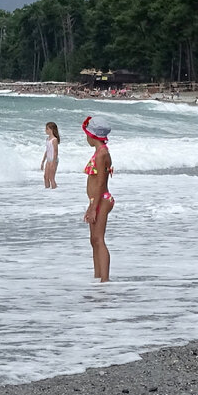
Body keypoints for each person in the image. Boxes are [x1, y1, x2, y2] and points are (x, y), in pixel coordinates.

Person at [82, 116, 114, 282]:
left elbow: (101, 182)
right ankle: (97, 276)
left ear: (92, 135)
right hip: (97, 199)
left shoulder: (102, 154)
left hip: (101, 199)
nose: (86, 138)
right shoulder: (99, 152)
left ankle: (105, 280)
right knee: (93, 240)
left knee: (99, 239)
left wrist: (93, 207)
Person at [40, 121, 60, 189]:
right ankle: (47, 193)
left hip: (53, 160)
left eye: (47, 129)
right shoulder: (48, 139)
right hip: (48, 160)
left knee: (51, 178)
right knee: (45, 177)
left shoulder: (54, 140)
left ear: (51, 130)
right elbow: (47, 151)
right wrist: (43, 161)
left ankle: (55, 192)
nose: (45, 130)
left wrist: (53, 162)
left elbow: (55, 152)